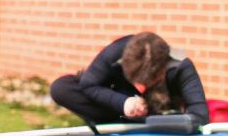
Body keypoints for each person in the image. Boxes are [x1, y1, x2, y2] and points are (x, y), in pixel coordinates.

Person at [49, 32, 210, 126]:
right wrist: (122, 103)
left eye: (149, 82)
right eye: (136, 81)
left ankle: (136, 125)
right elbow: (89, 84)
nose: (141, 87)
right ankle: (122, 122)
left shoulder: (181, 65)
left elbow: (200, 117)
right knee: (61, 88)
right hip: (119, 107)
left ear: (164, 66)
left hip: (157, 115)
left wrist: (152, 120)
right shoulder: (115, 52)